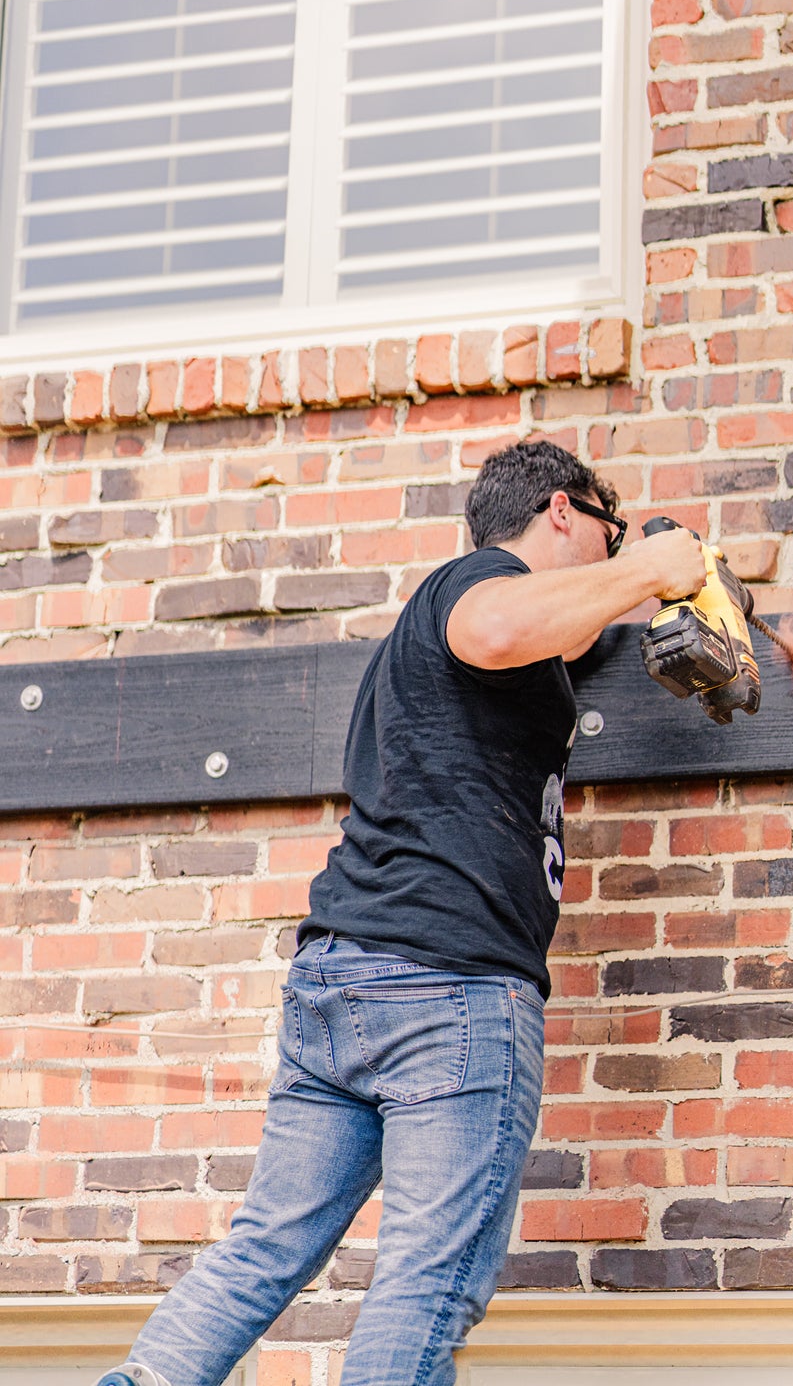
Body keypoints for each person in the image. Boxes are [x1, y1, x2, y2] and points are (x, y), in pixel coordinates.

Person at [95, 438, 706, 1386]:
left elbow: (560, 634)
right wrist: (651, 566)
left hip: (343, 985)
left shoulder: (482, 637)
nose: (613, 546)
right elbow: (504, 626)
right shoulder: (474, 588)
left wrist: (652, 593)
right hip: (448, 989)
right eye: (606, 527)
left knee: (262, 1252)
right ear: (560, 511)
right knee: (427, 1285)